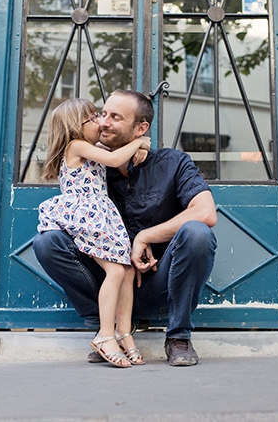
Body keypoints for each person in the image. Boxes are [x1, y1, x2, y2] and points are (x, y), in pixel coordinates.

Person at [34, 90, 217, 367]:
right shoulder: (93, 160)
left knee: (198, 232)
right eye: (102, 114)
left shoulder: (172, 163)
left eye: (115, 117)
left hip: (160, 280)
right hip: (106, 278)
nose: (104, 122)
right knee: (47, 242)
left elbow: (206, 212)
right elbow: (106, 161)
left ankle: (178, 335)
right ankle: (107, 330)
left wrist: (145, 236)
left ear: (140, 128)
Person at [37, 98, 151, 368]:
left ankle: (124, 334)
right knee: (114, 272)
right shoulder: (76, 146)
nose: (100, 122)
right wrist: (139, 142)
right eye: (93, 118)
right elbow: (113, 158)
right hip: (86, 215)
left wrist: (137, 151)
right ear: (76, 126)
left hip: (103, 214)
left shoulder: (92, 147)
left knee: (127, 270)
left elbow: (120, 165)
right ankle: (105, 335)